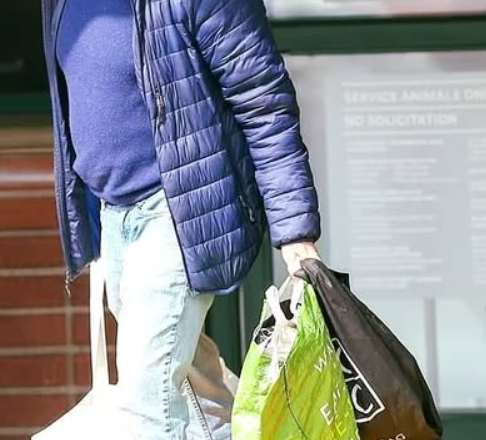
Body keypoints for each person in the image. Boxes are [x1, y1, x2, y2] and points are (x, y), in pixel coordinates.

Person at [41, 0, 322, 438]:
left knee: (146, 406)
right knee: (196, 392)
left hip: (179, 210)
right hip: (115, 211)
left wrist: (295, 231)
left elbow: (263, 101)